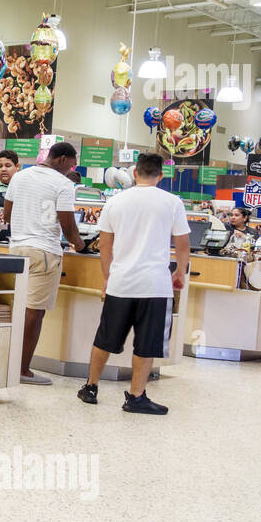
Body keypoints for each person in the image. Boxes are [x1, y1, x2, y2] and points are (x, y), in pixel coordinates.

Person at [77, 153, 189, 415]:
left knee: (105, 337)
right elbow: (183, 245)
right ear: (161, 176)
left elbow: (105, 245)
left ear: (135, 173)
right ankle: (136, 397)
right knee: (147, 342)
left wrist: (107, 277)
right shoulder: (172, 203)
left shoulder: (115, 202)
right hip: (155, 284)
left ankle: (91, 387)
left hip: (121, 282)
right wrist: (180, 272)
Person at [4, 141, 84, 385]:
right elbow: (68, 226)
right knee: (34, 313)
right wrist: (80, 244)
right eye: (72, 165)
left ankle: (8, 364)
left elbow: (7, 214)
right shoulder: (64, 184)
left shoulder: (20, 177)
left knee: (17, 308)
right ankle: (22, 370)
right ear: (61, 159)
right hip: (45, 252)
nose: (72, 169)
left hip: (16, 249)